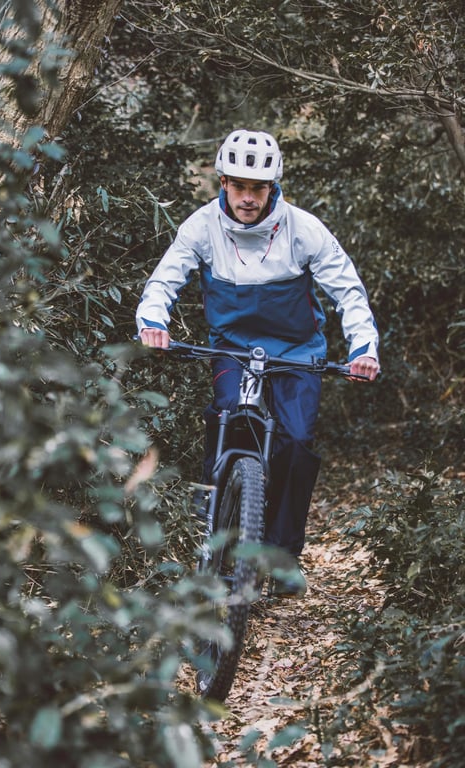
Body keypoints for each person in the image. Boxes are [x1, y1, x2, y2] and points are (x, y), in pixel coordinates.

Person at [136, 129, 379, 596]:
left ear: (273, 187)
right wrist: (152, 321)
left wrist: (363, 349)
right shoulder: (201, 227)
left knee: (296, 442)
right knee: (229, 422)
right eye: (239, 186)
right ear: (223, 182)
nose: (248, 198)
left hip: (297, 351)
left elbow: (348, 291)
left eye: (258, 188)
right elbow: (164, 281)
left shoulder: (303, 229)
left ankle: (282, 556)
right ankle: (215, 537)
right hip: (231, 348)